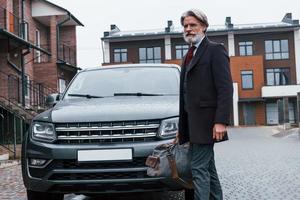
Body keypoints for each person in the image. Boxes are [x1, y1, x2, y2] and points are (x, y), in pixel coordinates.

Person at [177, 9, 233, 200]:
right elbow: (185, 94)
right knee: (208, 168)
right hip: (192, 124)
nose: (188, 29)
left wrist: (221, 121)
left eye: (193, 25)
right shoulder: (188, 54)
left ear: (204, 27)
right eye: (185, 26)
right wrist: (181, 127)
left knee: (198, 168)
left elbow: (225, 88)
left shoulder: (215, 50)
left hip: (207, 123)